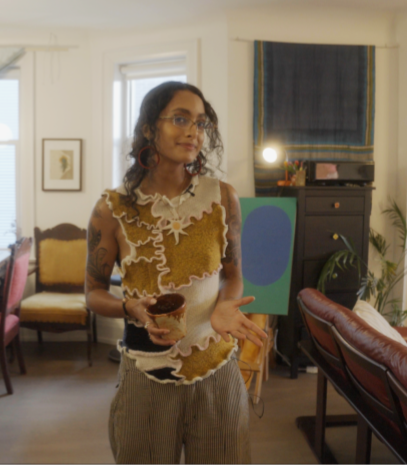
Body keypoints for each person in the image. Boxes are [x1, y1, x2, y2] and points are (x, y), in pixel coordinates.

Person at [84, 81, 267, 464]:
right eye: (180, 118)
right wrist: (131, 308)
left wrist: (224, 307)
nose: (193, 131)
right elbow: (93, 293)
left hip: (216, 367)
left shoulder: (222, 197)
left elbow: (233, 273)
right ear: (150, 128)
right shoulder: (112, 208)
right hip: (146, 372)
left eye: (200, 123)